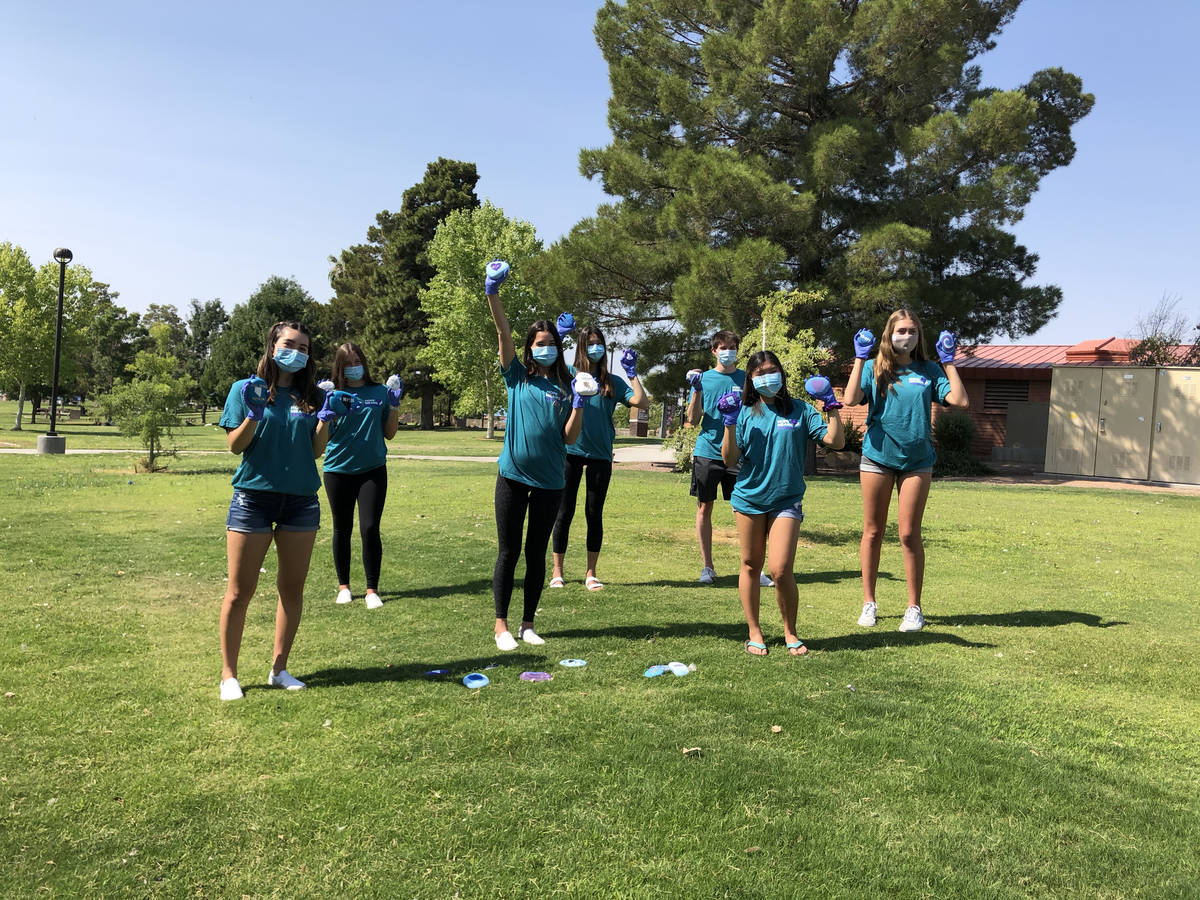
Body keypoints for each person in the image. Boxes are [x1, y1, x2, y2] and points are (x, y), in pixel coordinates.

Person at [217, 321, 350, 700]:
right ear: (273, 346)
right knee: (239, 592)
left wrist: (326, 417)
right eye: (290, 344)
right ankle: (229, 675)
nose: (298, 352)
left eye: (305, 348)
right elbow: (235, 446)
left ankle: (279, 669)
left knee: (291, 590)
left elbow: (315, 451)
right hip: (253, 500)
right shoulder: (245, 390)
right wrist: (253, 414)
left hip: (300, 502)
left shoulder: (311, 396)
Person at [843, 309, 968, 632]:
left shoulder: (929, 370)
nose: (907, 336)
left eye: (912, 331)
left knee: (909, 534)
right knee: (873, 531)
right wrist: (860, 358)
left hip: (917, 461)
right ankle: (868, 602)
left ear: (919, 337)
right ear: (889, 334)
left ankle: (914, 608)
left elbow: (960, 400)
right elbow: (850, 398)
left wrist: (949, 361)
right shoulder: (875, 368)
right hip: (877, 458)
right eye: (901, 331)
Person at [484, 260, 586, 651]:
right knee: (508, 552)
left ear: (558, 349)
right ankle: (501, 626)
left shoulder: (566, 385)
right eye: (538, 344)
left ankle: (528, 623)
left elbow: (570, 438)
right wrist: (493, 293)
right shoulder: (516, 377)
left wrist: (578, 404)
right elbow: (502, 332)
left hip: (550, 483)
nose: (545, 348)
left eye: (550, 344)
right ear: (529, 348)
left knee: (536, 553)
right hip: (512, 476)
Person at [719, 352, 845, 656]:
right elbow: (729, 459)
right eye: (760, 373)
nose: (767, 377)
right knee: (751, 564)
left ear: (782, 374)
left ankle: (790, 631)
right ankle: (754, 630)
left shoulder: (800, 410)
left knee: (780, 568)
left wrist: (831, 405)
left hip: (787, 499)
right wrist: (729, 423)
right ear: (750, 379)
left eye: (772, 371)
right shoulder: (745, 412)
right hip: (749, 498)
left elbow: (836, 441)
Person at [549, 324, 649, 590]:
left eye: (599, 343)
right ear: (581, 346)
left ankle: (591, 573)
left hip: (600, 455)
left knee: (594, 514)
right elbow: (549, 365)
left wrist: (631, 373)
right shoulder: (568, 374)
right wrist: (558, 335)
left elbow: (642, 402)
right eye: (590, 343)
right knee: (564, 512)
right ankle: (557, 571)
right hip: (569, 452)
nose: (596, 348)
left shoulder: (611, 381)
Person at [686, 331, 774, 588]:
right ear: (714, 351)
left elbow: (757, 412)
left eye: (732, 347)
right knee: (705, 507)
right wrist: (696, 391)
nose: (728, 351)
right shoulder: (704, 379)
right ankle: (707, 567)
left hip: (738, 453)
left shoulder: (746, 379)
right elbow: (692, 419)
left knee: (750, 509)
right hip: (707, 452)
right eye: (723, 347)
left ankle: (754, 569)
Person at [320, 343, 402, 610]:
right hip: (337, 469)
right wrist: (324, 410)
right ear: (340, 367)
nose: (354, 367)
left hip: (372, 470)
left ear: (365, 363)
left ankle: (371, 589)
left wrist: (393, 406)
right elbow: (325, 437)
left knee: (369, 527)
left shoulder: (380, 392)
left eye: (358, 361)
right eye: (348, 363)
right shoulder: (333, 394)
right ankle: (344, 586)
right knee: (341, 528)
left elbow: (389, 433)